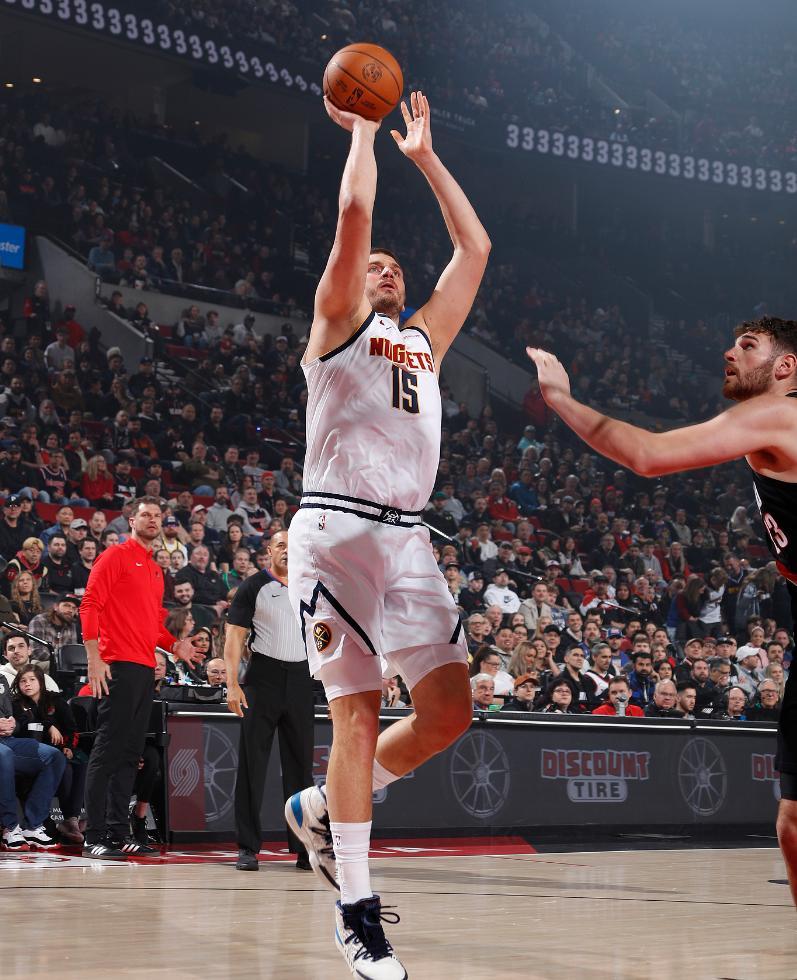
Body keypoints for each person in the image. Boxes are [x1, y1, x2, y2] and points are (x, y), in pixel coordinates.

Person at [284, 88, 490, 975]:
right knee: (358, 716)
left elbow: (474, 250)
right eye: (376, 266)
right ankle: (356, 913)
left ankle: (321, 808)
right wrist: (364, 135)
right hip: (336, 531)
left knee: (448, 712)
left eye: (395, 268)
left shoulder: (421, 344)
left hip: (407, 539)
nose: (386, 270)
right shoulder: (335, 325)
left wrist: (426, 158)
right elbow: (353, 219)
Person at [528, 316, 797, 904]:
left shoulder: (778, 412)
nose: (728, 352)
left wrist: (562, 401)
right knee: (793, 822)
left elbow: (648, 455)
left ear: (785, 367)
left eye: (747, 346)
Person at [80, 497, 201, 859]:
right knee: (108, 750)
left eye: (157, 516)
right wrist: (94, 658)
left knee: (130, 754)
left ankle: (119, 832)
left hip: (145, 668)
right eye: (145, 515)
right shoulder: (115, 556)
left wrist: (173, 645)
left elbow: (152, 625)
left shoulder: (155, 569)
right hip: (117, 665)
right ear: (131, 521)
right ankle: (93, 835)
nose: (152, 520)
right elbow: (90, 604)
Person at [223, 530, 314, 873]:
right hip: (263, 679)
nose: (287, 551)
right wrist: (232, 684)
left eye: (293, 546)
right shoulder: (253, 586)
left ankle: (304, 848)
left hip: (302, 680)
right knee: (252, 766)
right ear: (269, 551)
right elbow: (234, 637)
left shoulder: (312, 586)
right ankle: (248, 847)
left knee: (300, 768)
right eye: (281, 545)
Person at [11, 664, 86, 844]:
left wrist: (68, 747)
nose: (27, 684)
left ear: (41, 682)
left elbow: (71, 728)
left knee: (81, 766)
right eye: (23, 681)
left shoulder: (55, 701)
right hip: (31, 753)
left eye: (32, 680)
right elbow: (20, 728)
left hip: (59, 751)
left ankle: (71, 819)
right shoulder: (16, 704)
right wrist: (48, 725)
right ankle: (50, 821)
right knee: (65, 769)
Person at [0, 666, 65, 850]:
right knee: (4, 755)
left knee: (53, 756)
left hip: (7, 739)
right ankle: (10, 827)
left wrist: (13, 725)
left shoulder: (1, 680)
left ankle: (33, 825)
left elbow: (14, 720)